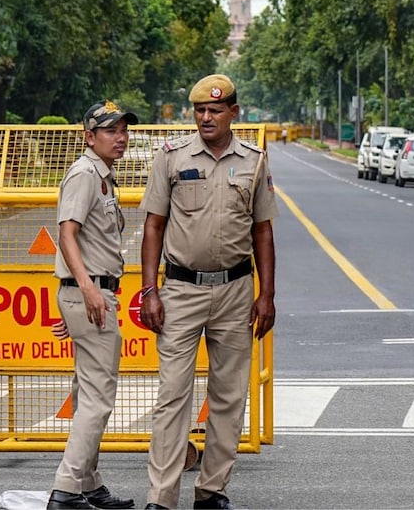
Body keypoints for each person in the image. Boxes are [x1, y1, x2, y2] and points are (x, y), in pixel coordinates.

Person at [139, 74, 278, 510]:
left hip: (237, 291)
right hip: (180, 290)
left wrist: (267, 295)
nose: (205, 117)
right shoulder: (172, 157)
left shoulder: (254, 160)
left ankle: (212, 491)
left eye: (215, 110)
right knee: (171, 397)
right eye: (199, 110)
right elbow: (153, 226)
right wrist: (150, 291)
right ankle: (161, 498)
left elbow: (263, 231)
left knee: (230, 396)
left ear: (233, 113)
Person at [48, 101, 138, 510]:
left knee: (88, 394)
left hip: (91, 293)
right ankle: (67, 490)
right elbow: (67, 235)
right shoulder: (85, 174)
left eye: (123, 130)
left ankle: (88, 484)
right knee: (99, 397)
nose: (120, 138)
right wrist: (86, 290)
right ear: (89, 136)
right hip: (92, 294)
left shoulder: (103, 175)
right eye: (110, 131)